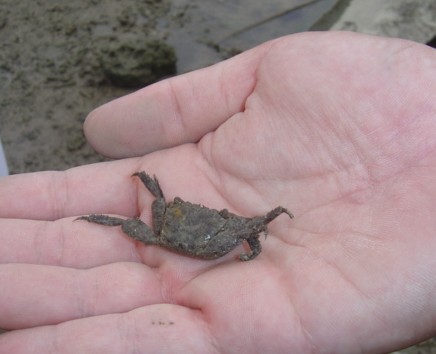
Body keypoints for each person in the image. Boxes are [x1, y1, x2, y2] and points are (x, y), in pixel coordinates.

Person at [0, 31, 435, 353]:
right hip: (202, 243)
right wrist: (251, 243)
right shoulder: (217, 227)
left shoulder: (161, 224)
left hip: (174, 238)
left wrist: (254, 235)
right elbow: (254, 228)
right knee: (226, 221)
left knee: (149, 217)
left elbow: (146, 218)